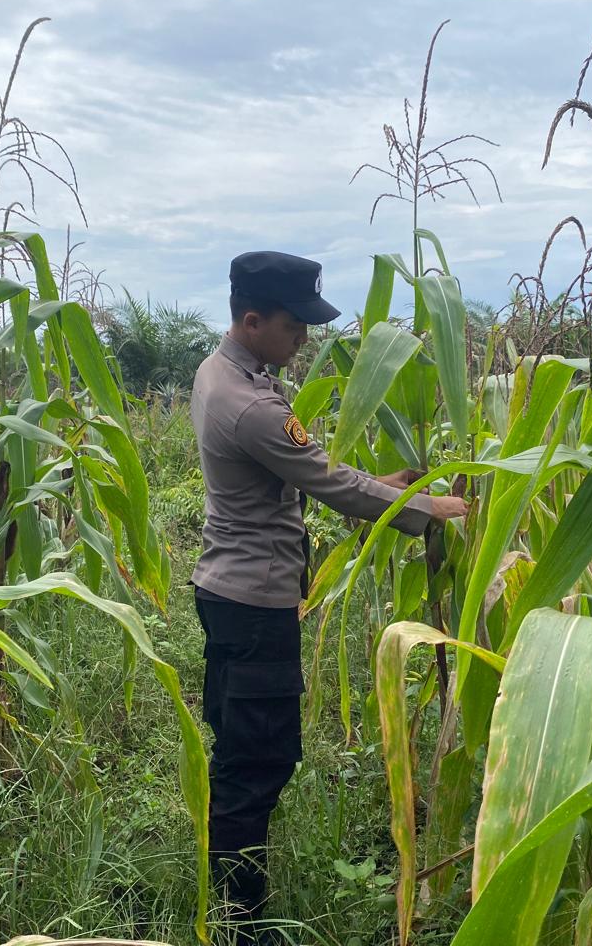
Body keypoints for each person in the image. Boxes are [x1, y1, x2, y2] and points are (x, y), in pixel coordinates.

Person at [189, 250, 469, 941]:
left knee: (239, 751)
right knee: (258, 761)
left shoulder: (221, 371)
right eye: (294, 326)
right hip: (255, 604)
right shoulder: (251, 404)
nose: (304, 339)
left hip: (228, 593)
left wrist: (386, 485)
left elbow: (301, 473)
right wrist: (425, 508)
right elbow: (329, 483)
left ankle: (226, 894)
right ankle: (240, 921)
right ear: (253, 322)